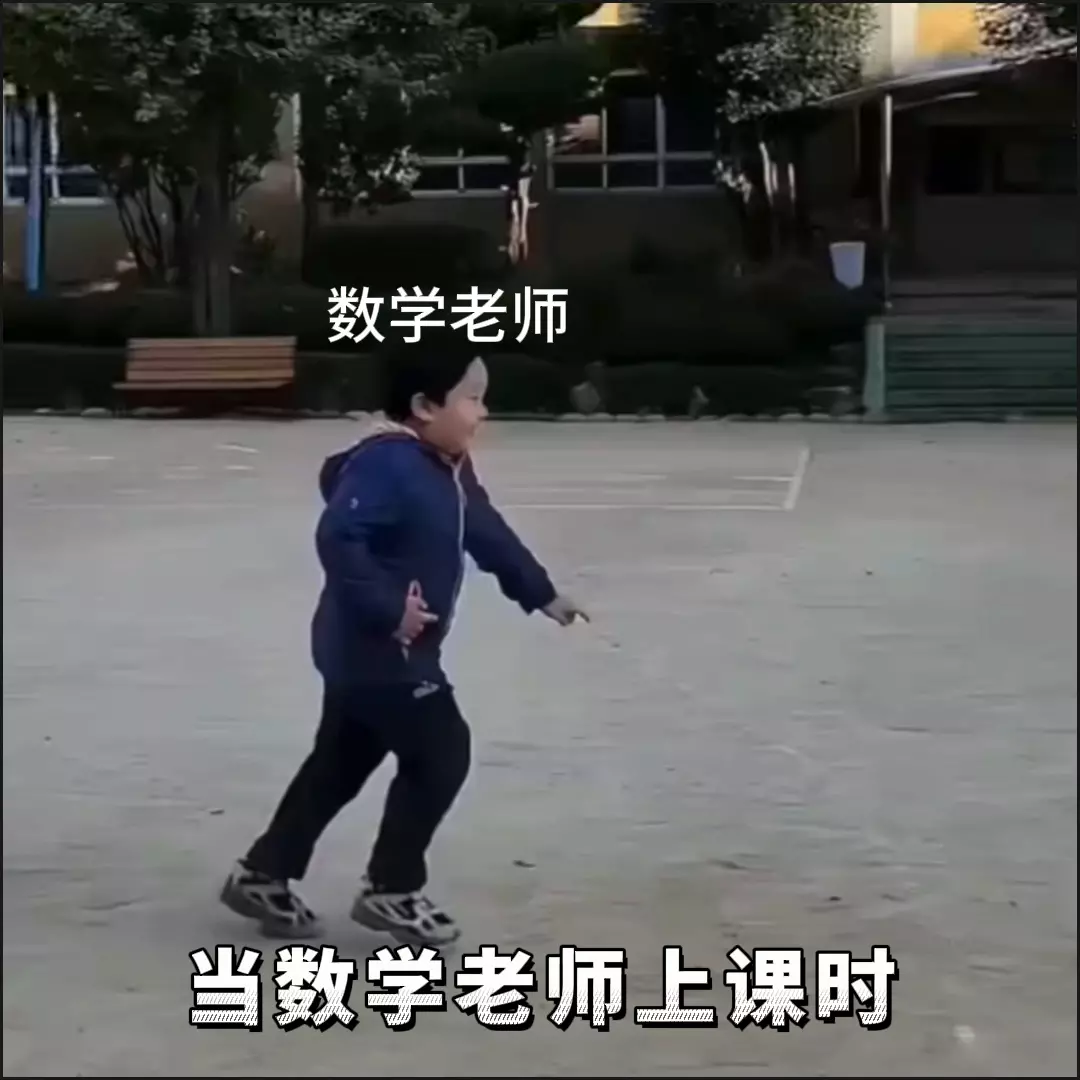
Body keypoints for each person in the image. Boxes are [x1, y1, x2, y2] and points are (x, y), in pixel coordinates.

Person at [220, 344, 587, 945]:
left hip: (372, 654)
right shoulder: (387, 463)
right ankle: (391, 888)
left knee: (340, 763)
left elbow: (485, 530)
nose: (483, 412)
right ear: (424, 405)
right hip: (379, 650)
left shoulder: (450, 465)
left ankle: (263, 873)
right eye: (472, 399)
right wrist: (390, 609)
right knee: (442, 751)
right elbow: (339, 537)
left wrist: (539, 591)